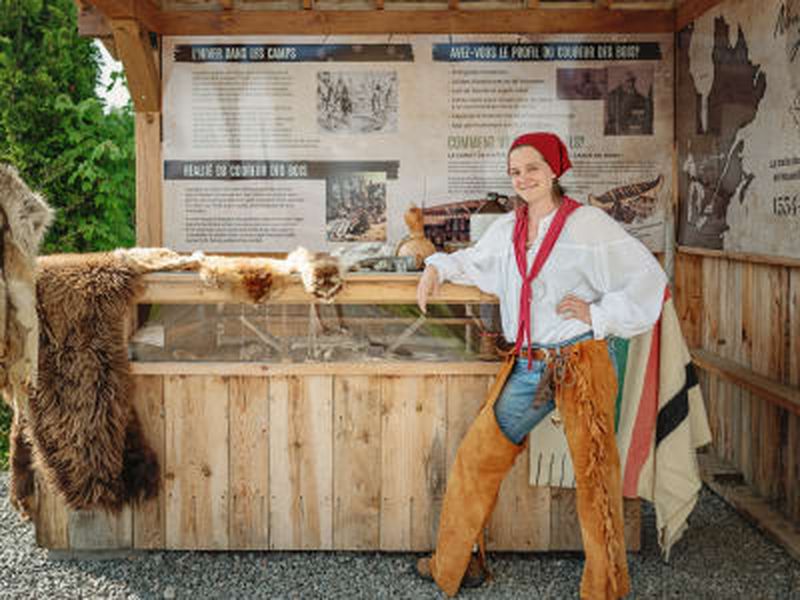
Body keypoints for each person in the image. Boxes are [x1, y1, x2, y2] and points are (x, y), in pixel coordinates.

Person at [414, 132, 667, 599]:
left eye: (532, 167)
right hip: (530, 366)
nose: (523, 178)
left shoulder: (587, 224)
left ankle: (605, 590)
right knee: (477, 457)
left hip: (580, 360)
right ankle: (452, 565)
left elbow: (648, 277)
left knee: (594, 479)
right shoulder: (509, 227)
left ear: (554, 169)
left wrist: (600, 315)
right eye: (515, 171)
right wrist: (436, 267)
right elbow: (473, 262)